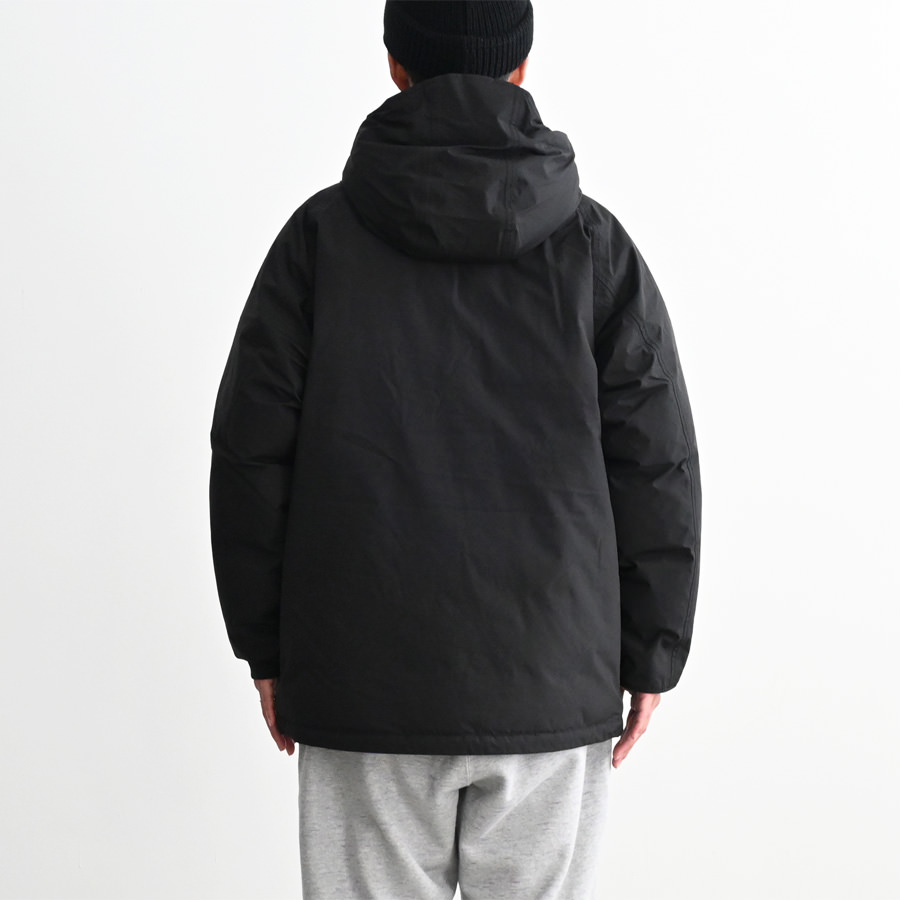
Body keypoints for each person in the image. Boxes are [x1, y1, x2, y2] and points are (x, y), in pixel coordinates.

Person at [209, 2, 702, 897]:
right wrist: (652, 651)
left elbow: (251, 454)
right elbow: (655, 459)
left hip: (361, 683)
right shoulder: (595, 248)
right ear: (523, 66)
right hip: (552, 679)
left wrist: (265, 646)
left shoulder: (318, 241)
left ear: (395, 64)